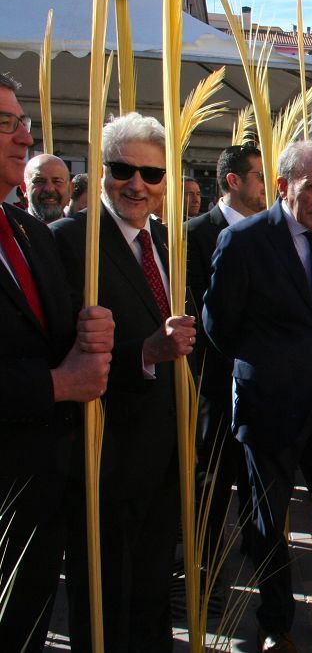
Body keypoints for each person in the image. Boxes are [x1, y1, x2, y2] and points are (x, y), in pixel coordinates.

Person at [203, 140, 312, 651]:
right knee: (269, 521)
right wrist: (267, 367)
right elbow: (218, 325)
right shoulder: (244, 241)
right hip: (268, 405)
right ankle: (276, 624)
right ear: (282, 187)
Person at [51, 112, 196, 652]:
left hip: (163, 452)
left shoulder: (168, 242)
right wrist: (145, 354)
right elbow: (62, 348)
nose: (137, 184)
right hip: (103, 454)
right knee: (106, 596)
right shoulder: (70, 242)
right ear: (101, 170)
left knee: (153, 590)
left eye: (152, 174)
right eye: (122, 169)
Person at [0, 73, 114, 653]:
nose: (23, 137)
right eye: (5, 124)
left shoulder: (27, 232)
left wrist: (91, 334)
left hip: (46, 489)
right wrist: (56, 383)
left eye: (22, 122)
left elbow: (57, 335)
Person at [186, 142, 266, 576]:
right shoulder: (196, 233)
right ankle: (204, 568)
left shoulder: (272, 230)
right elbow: (198, 313)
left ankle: (257, 557)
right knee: (213, 483)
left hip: (260, 383)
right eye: (258, 176)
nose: (266, 186)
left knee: (256, 482)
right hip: (215, 384)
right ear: (233, 181)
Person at [24, 153, 71, 224]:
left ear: (70, 189)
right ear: (24, 188)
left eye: (57, 181)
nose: (49, 189)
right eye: (40, 181)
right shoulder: (10, 231)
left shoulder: (83, 233)